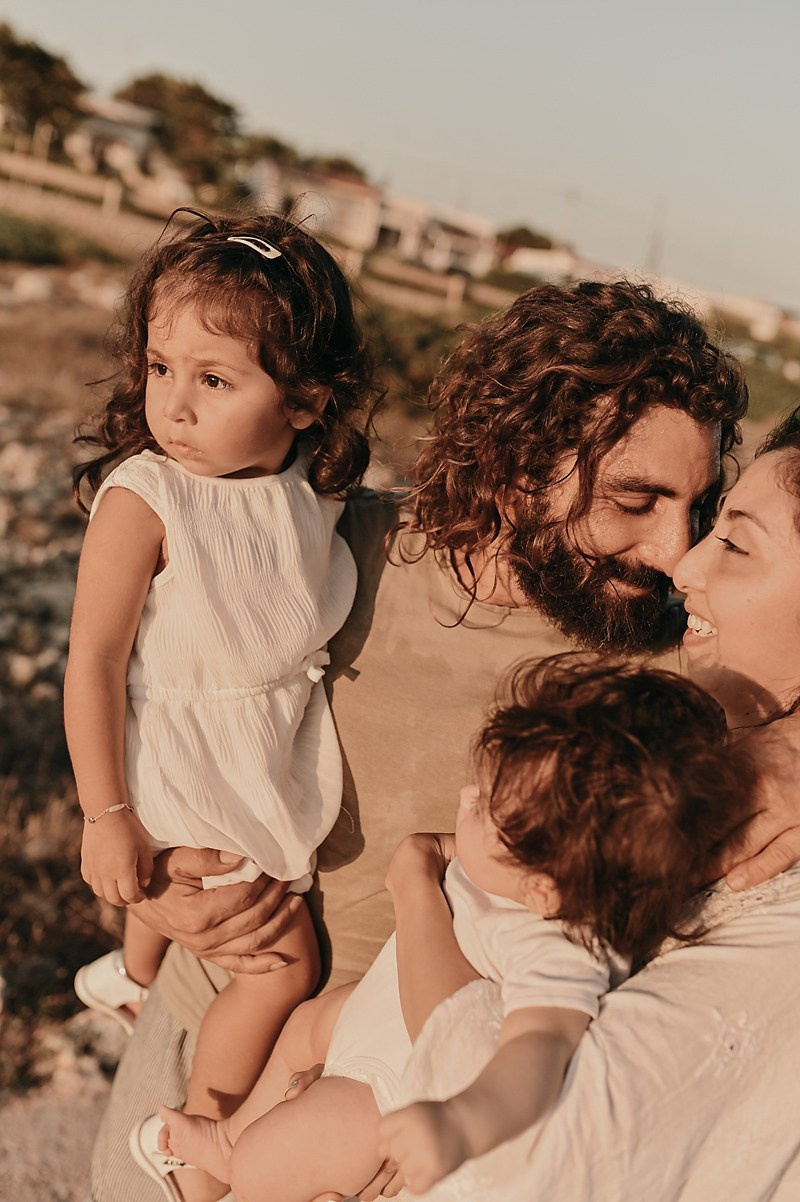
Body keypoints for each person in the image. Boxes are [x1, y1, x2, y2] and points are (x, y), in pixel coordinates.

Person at [90, 279, 765, 1202]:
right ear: (522, 452)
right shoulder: (324, 546)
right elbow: (149, 690)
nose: (673, 550)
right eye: (636, 499)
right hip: (193, 1030)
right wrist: (151, 885)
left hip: (382, 1128)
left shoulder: (664, 671)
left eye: (698, 507)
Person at [369, 407, 800, 1201]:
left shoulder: (769, 876)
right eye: (642, 502)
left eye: (731, 538)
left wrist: (414, 896)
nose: (683, 564)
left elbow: (533, 1156)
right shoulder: (683, 735)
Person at [156, 653, 755, 1201]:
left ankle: (245, 1173)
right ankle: (229, 1140)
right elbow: (460, 860)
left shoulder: (561, 947)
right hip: (369, 1017)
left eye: (483, 805)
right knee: (306, 1027)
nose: (467, 795)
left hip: (390, 1091)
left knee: (276, 1161)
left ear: (544, 888)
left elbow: (536, 1053)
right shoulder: (517, 872)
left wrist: (464, 1120)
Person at [64, 210, 378, 1200]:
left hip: (248, 753)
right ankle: (200, 1129)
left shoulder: (302, 497)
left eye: (213, 378)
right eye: (160, 367)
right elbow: (95, 661)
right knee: (282, 963)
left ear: (304, 402)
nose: (174, 405)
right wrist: (106, 815)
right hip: (178, 759)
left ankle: (132, 973)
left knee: (226, 910)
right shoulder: (147, 495)